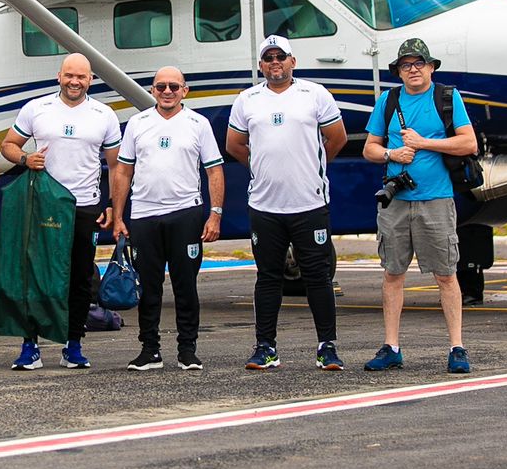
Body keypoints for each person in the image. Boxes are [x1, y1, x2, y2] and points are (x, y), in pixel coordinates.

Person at [225, 35, 349, 370]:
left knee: (317, 276)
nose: (275, 62)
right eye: (268, 58)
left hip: (309, 203)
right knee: (267, 277)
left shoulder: (314, 94)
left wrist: (312, 164)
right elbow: (235, 144)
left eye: (281, 56)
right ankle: (265, 347)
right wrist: (262, 167)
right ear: (261, 65)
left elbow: (336, 138)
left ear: (293, 61)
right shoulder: (247, 99)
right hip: (265, 206)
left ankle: (327, 347)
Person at [361, 37, 478, 375]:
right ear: (398, 71)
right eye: (406, 65)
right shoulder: (388, 100)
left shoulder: (446, 97)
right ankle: (391, 346)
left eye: (418, 64)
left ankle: (457, 347)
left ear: (430, 67)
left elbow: (468, 142)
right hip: (396, 201)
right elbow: (370, 148)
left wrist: (424, 143)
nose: (412, 69)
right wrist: (391, 154)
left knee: (446, 274)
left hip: (437, 200)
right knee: (392, 274)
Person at [0, 52, 121, 370]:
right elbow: (8, 145)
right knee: (37, 276)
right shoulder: (36, 108)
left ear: (90, 79)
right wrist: (25, 159)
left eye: (81, 76)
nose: (74, 81)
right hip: (43, 206)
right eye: (69, 75)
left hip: (85, 207)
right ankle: (30, 346)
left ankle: (73, 345)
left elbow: (116, 166)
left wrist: (112, 206)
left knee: (79, 278)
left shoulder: (103, 114)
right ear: (59, 76)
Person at [111, 67, 225, 371]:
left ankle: (187, 350)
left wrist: (215, 214)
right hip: (145, 215)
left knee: (185, 284)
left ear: (185, 91)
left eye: (174, 86)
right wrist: (119, 215)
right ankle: (150, 350)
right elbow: (123, 171)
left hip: (186, 213)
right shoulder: (137, 123)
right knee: (148, 286)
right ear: (152, 91)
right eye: (161, 86)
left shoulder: (198, 124)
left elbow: (214, 170)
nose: (167, 91)